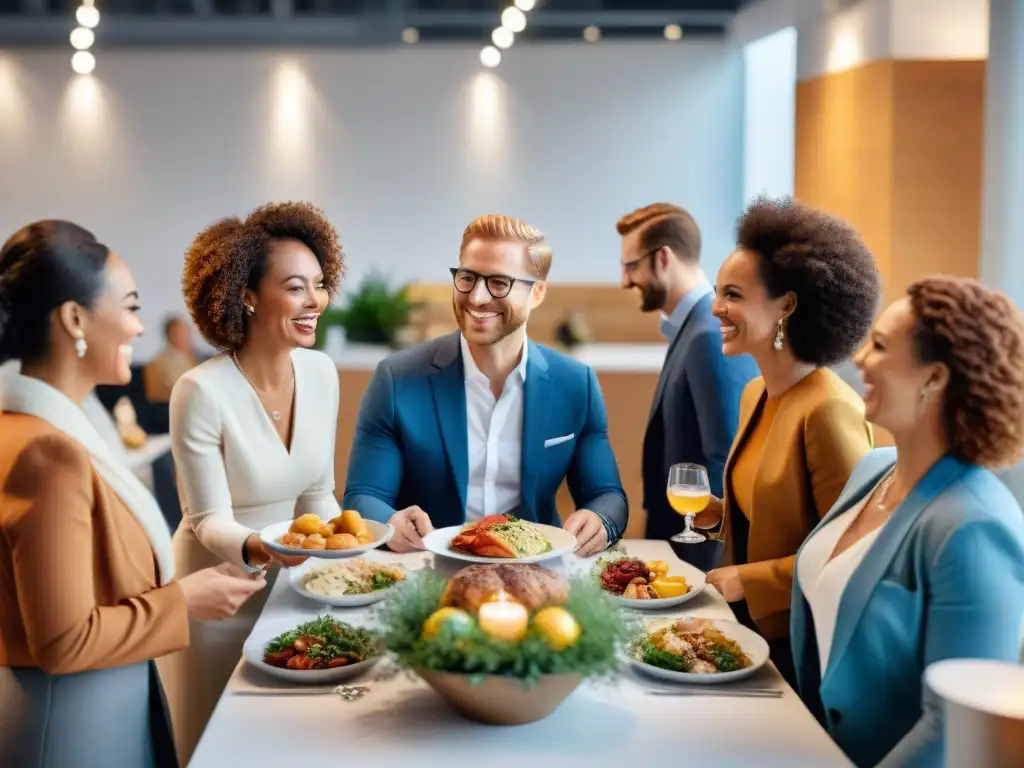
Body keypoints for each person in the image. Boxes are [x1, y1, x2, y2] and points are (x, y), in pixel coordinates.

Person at [0, 220, 265, 768]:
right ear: (74, 318)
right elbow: (65, 641)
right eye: (130, 306)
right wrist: (184, 601)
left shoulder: (37, 429)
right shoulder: (49, 454)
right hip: (73, 723)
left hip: (90, 706)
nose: (140, 328)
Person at [791, 276, 1024, 768]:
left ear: (934, 378)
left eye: (878, 345)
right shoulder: (874, 467)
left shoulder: (974, 528)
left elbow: (956, 726)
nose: (858, 359)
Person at [159, 202, 345, 765]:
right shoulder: (200, 390)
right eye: (295, 287)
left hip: (292, 589)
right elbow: (204, 518)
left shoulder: (321, 372)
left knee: (284, 744)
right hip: (214, 595)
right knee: (210, 748)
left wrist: (353, 554)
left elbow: (317, 495)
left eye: (319, 284)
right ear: (246, 294)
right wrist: (262, 547)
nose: (315, 301)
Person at [344, 214, 627, 556]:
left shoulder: (576, 383)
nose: (477, 297)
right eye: (467, 277)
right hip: (428, 570)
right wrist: (390, 521)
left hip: (535, 571)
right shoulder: (396, 379)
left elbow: (609, 496)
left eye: (498, 282)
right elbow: (363, 496)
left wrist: (599, 520)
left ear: (536, 293)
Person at [692, 196, 880, 687]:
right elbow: (775, 516)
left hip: (802, 648)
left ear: (787, 305)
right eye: (716, 292)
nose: (716, 308)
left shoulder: (829, 409)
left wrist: (748, 580)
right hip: (750, 630)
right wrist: (719, 515)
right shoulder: (757, 393)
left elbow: (851, 552)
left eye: (732, 294)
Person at [616, 203, 758, 570]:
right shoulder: (693, 328)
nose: (625, 280)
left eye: (631, 266)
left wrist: (705, 570)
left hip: (696, 554)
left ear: (663, 258)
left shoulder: (708, 334)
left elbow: (724, 457)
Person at [142, 315, 201, 403]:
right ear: (170, 335)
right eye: (181, 333)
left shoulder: (191, 357)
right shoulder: (158, 364)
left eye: (187, 332)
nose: (188, 338)